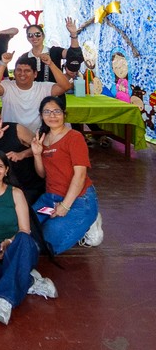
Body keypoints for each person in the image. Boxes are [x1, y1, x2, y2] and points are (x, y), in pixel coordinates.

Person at [0, 150, 57, 326]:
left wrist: (8, 243)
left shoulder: (15, 193)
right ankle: (29, 281)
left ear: (6, 170)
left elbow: (24, 230)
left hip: (18, 246)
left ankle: (5, 301)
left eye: (0, 166)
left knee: (23, 238)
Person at [31, 96, 103, 254]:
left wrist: (65, 206)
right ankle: (80, 224)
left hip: (78, 199)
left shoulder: (74, 138)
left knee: (46, 242)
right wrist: (37, 154)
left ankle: (88, 223)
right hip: (50, 199)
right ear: (41, 115)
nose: (52, 115)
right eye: (47, 112)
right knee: (26, 227)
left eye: (57, 111)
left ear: (64, 114)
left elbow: (80, 175)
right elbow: (42, 174)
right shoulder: (43, 139)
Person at [0, 52, 71, 134]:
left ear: (35, 74)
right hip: (10, 137)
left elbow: (66, 86)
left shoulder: (43, 87)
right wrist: (3, 63)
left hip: (37, 136)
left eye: (27, 71)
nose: (22, 74)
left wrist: (51, 64)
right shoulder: (7, 86)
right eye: (19, 70)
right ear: (14, 73)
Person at [23, 18, 83, 83]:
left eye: (37, 34)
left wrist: (73, 34)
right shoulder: (24, 58)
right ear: (27, 38)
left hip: (56, 92)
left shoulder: (54, 51)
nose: (34, 37)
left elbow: (74, 55)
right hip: (34, 93)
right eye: (30, 35)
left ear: (43, 36)